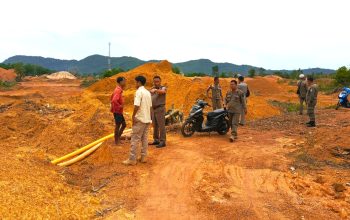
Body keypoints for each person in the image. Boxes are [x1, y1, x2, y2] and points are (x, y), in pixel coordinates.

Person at [123, 75, 152, 165]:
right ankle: (143, 157)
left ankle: (132, 159)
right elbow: (150, 107)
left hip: (140, 118)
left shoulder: (139, 92)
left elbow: (137, 105)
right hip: (147, 119)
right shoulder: (147, 92)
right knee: (144, 139)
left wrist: (133, 116)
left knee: (135, 139)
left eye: (136, 82)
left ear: (139, 82)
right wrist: (149, 118)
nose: (135, 84)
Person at [149, 76, 167, 148]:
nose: (156, 83)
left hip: (160, 108)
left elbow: (163, 91)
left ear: (160, 81)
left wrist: (155, 90)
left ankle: (163, 141)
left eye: (157, 81)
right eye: (155, 81)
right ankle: (156, 140)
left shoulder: (163, 87)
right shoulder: (152, 89)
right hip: (153, 109)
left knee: (161, 125)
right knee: (155, 125)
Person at [110, 77, 126, 145]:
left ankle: (118, 138)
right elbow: (114, 100)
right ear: (120, 82)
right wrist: (119, 106)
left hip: (118, 111)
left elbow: (111, 98)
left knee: (124, 124)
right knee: (118, 125)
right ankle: (116, 141)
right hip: (117, 111)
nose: (125, 83)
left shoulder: (118, 89)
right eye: (124, 81)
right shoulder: (118, 90)